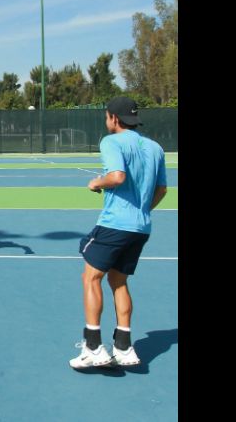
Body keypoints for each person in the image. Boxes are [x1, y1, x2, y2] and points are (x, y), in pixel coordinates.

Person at [69, 96, 167, 369]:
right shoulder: (155, 147)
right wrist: (143, 211)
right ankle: (123, 348)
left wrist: (95, 183)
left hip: (115, 224)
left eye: (106, 116)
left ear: (113, 118)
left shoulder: (110, 141)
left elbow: (117, 177)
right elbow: (162, 190)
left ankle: (93, 348)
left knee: (90, 278)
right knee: (119, 282)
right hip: (141, 227)